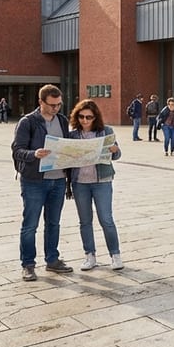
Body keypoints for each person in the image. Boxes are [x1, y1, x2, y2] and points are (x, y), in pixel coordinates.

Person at [12, 84, 73, 281]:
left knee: (53, 223)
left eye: (59, 105)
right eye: (52, 105)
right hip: (34, 181)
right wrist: (34, 154)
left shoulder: (63, 121)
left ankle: (52, 260)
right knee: (30, 224)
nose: (56, 108)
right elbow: (17, 150)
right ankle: (28, 265)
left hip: (58, 179)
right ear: (41, 102)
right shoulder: (28, 122)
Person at [67, 99, 123, 271]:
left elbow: (116, 155)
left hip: (102, 182)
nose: (85, 120)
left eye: (89, 117)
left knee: (106, 219)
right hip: (80, 183)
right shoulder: (73, 135)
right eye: (82, 117)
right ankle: (89, 255)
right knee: (85, 221)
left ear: (95, 117)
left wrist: (115, 150)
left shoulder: (106, 131)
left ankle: (115, 255)